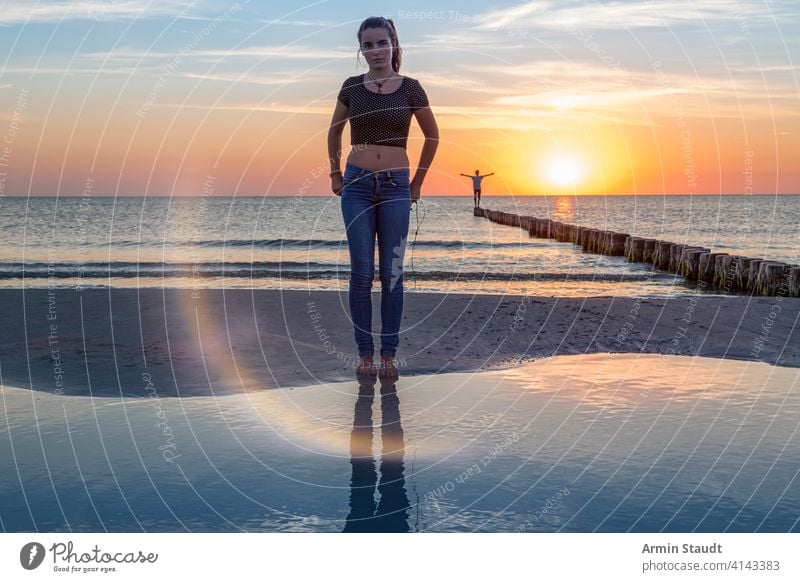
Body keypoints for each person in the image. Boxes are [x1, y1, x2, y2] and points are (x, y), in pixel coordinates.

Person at [328, 16, 439, 380]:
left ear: (394, 43)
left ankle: (389, 355)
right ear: (361, 50)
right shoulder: (351, 87)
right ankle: (365, 353)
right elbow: (334, 132)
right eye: (368, 45)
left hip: (395, 186)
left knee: (392, 274)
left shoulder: (411, 88)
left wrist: (417, 182)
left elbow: (433, 136)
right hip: (357, 185)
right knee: (361, 274)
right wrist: (334, 173)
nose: (375, 50)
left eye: (381, 43)